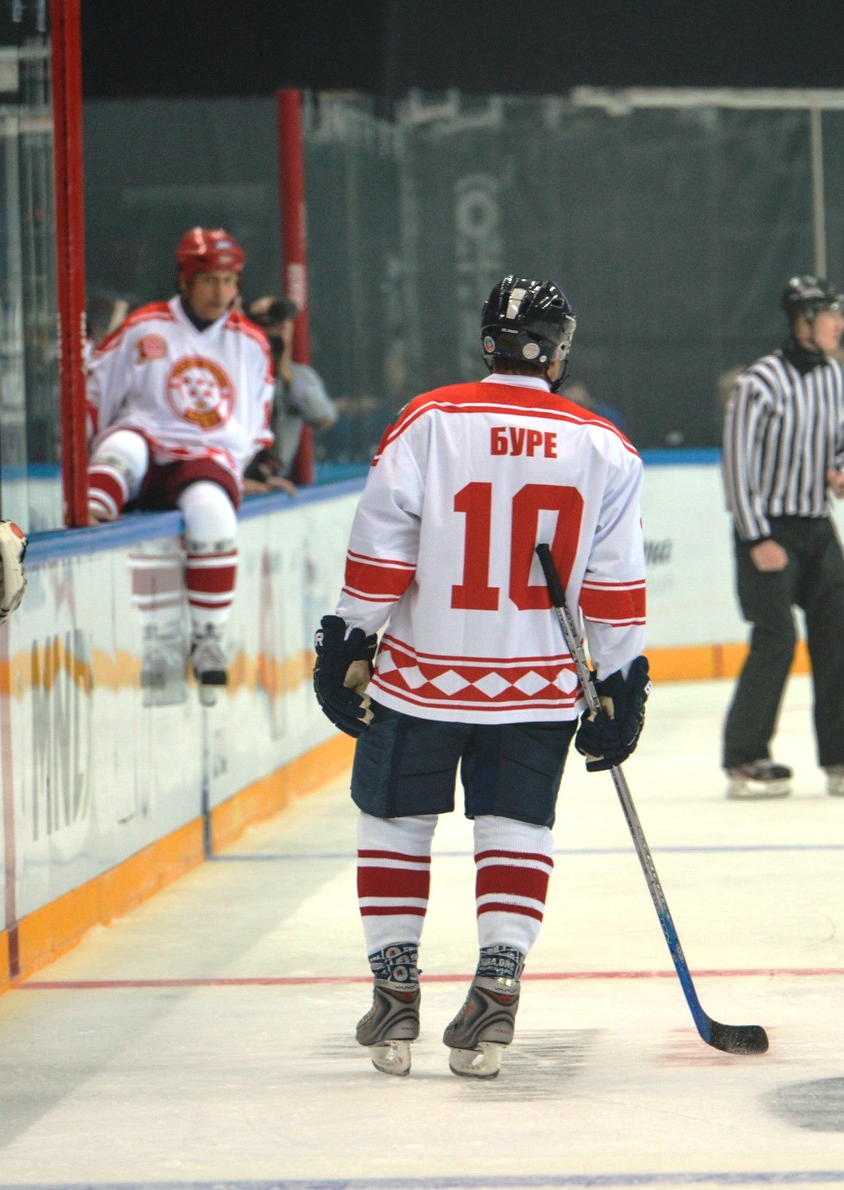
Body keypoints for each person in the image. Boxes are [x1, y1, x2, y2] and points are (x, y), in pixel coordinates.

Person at [312, 275, 650, 1080]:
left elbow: (381, 545)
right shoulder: (604, 445)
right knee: (516, 825)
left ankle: (395, 995)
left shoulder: (429, 420)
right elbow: (613, 584)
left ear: (487, 341)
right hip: (535, 684)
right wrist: (622, 680)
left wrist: (346, 637)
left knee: (394, 820)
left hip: (421, 677)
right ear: (558, 350)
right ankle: (496, 993)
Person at [84, 226, 275, 697]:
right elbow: (95, 390)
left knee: (212, 511)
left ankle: (209, 637)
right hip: (144, 443)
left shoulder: (250, 342)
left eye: (230, 281)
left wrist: (237, 469)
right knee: (120, 450)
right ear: (185, 280)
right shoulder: (144, 325)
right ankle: (85, 530)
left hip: (206, 458)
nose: (222, 292)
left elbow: (254, 421)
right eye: (210, 280)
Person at [719, 275, 844, 800]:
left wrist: (838, 472)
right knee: (777, 639)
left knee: (842, 635)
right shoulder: (759, 383)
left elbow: (843, 442)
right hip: (767, 527)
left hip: (816, 524)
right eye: (830, 315)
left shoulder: (839, 379)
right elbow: (737, 467)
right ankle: (745, 757)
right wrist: (756, 537)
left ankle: (842, 754)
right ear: (803, 320)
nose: (840, 325)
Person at [245, 294, 336, 489]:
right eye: (269, 326)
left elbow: (324, 418)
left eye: (283, 327)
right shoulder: (236, 370)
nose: (276, 334)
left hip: (269, 479)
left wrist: (287, 376)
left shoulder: (298, 376)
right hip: (234, 474)